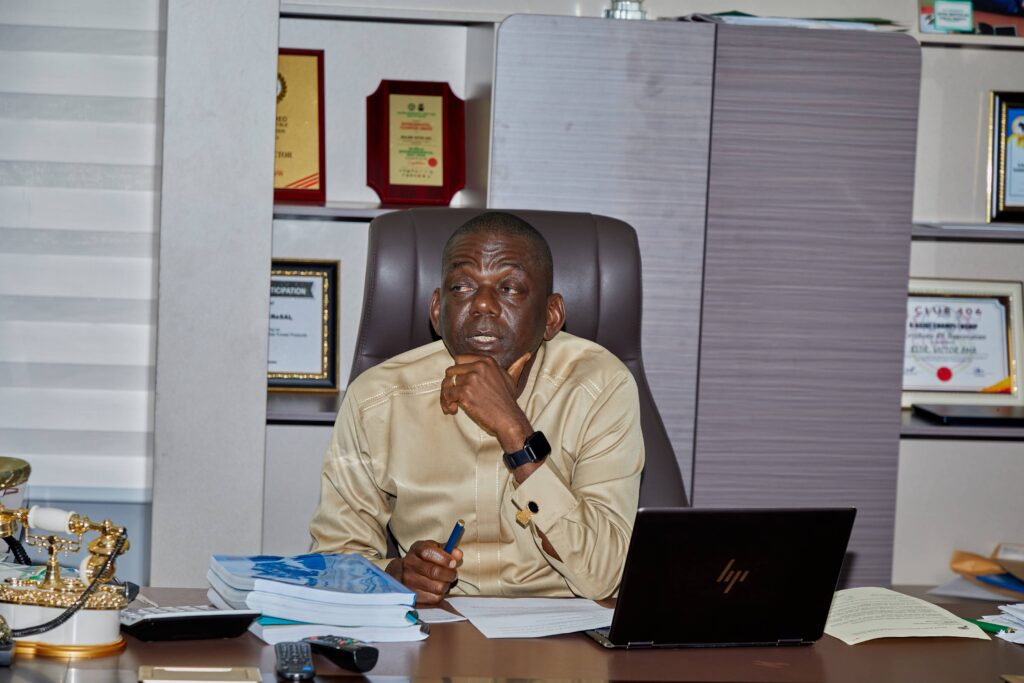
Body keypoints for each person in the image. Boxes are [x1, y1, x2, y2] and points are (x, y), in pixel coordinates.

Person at [309, 212, 644, 604]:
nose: (483, 304)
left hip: (565, 624)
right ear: (438, 310)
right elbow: (332, 561)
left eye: (510, 288)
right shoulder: (376, 400)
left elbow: (605, 576)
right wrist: (395, 574)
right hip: (438, 626)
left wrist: (514, 430)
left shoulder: (600, 387)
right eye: (462, 286)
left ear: (551, 316)